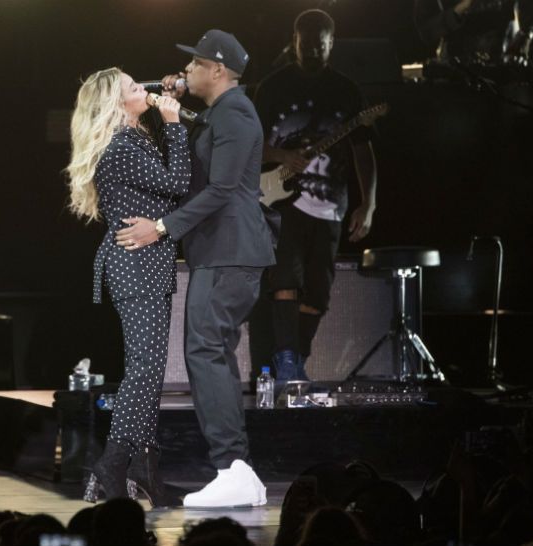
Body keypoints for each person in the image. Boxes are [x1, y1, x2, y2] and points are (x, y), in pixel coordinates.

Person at [116, 29, 276, 508]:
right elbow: (200, 148)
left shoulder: (238, 112)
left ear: (217, 70)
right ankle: (237, 470)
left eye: (193, 66)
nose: (184, 72)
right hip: (221, 253)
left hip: (232, 252)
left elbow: (222, 188)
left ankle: (232, 466)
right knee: (212, 353)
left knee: (205, 351)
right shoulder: (220, 113)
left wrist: (161, 228)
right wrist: (176, 107)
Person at [65, 67, 190, 506]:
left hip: (148, 263)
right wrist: (174, 124)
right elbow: (178, 185)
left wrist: (169, 106)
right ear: (116, 105)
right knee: (143, 369)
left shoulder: (134, 138)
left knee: (150, 370)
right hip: (135, 264)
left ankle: (144, 468)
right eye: (135, 88)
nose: (146, 91)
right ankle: (113, 463)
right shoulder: (119, 146)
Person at [253, 9, 377, 384]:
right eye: (305, 45)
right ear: (294, 42)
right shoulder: (272, 88)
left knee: (319, 294)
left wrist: (368, 203)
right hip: (281, 202)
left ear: (331, 44)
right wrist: (283, 156)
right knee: (284, 280)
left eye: (319, 46)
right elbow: (249, 146)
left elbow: (364, 152)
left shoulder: (347, 91)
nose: (311, 52)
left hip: (330, 206)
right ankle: (288, 360)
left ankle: (295, 356)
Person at [414, 0, 533, 65]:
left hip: (504, 69)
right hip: (458, 72)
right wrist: (462, 8)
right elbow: (427, 33)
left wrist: (528, 37)